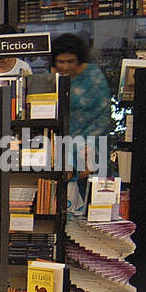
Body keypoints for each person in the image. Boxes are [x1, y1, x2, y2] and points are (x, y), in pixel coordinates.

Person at [53, 32, 112, 214]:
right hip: (60, 149)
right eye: (60, 61)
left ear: (79, 59)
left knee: (92, 204)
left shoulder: (93, 77)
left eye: (70, 61)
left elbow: (102, 117)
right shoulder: (52, 77)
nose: (65, 66)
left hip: (91, 148)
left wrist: (83, 151)